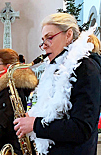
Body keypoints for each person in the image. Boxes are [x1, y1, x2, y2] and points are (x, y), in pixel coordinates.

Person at [13, 13, 101, 155]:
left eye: (50, 37)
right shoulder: (56, 69)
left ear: (68, 35)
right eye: (43, 40)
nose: (44, 45)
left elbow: (81, 128)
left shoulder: (85, 68)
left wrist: (34, 125)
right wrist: (33, 115)